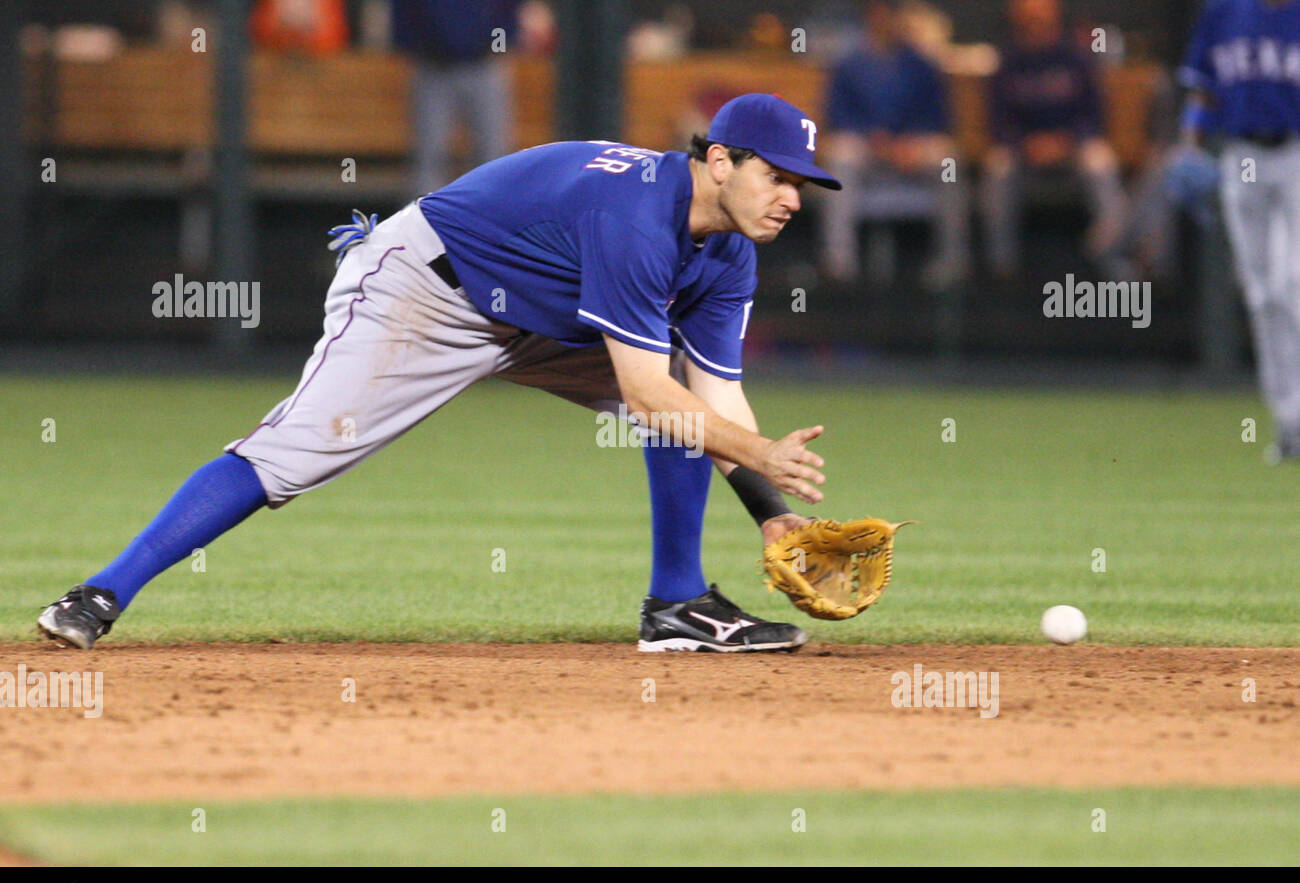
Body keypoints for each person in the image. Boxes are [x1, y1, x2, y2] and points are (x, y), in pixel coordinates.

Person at [37, 94, 842, 654]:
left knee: (678, 404)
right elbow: (644, 392)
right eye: (778, 176)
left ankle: (677, 607)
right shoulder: (635, 216)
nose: (792, 199)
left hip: (540, 316)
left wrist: (769, 512)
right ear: (722, 161)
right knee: (294, 456)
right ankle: (101, 594)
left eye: (802, 184)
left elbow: (708, 397)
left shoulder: (730, 251)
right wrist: (761, 452)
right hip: (424, 290)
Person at [1178, 0, 1300, 463]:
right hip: (1242, 156)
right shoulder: (1224, 12)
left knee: (1294, 283)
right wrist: (1189, 148)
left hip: (1295, 155)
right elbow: (1202, 89)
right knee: (1263, 296)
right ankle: (1290, 425)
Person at [820, 0, 969, 287]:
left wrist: (910, 141)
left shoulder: (921, 63)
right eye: (877, 12)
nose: (883, 19)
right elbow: (837, 116)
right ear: (867, 16)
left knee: (948, 160)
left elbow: (939, 118)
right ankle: (839, 262)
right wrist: (874, 137)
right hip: (867, 147)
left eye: (889, 13)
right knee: (840, 154)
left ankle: (952, 260)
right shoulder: (849, 63)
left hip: (911, 147)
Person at [980, 0, 1128, 275]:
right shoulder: (1009, 60)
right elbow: (998, 121)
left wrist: (1067, 140)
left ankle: (1107, 252)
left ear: (1055, 19)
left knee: (1101, 163)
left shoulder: (1076, 56)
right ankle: (1002, 263)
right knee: (998, 167)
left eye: (1041, 18)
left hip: (1072, 146)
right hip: (1026, 149)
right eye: (1028, 19)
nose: (1035, 25)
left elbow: (1095, 116)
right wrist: (1025, 144)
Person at [391, 0, 520, 192]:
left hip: (484, 65)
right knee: (431, 156)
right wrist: (417, 42)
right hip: (434, 67)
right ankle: (424, 219)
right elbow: (405, 13)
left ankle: (490, 218)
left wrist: (499, 41)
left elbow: (506, 9)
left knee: (493, 155)